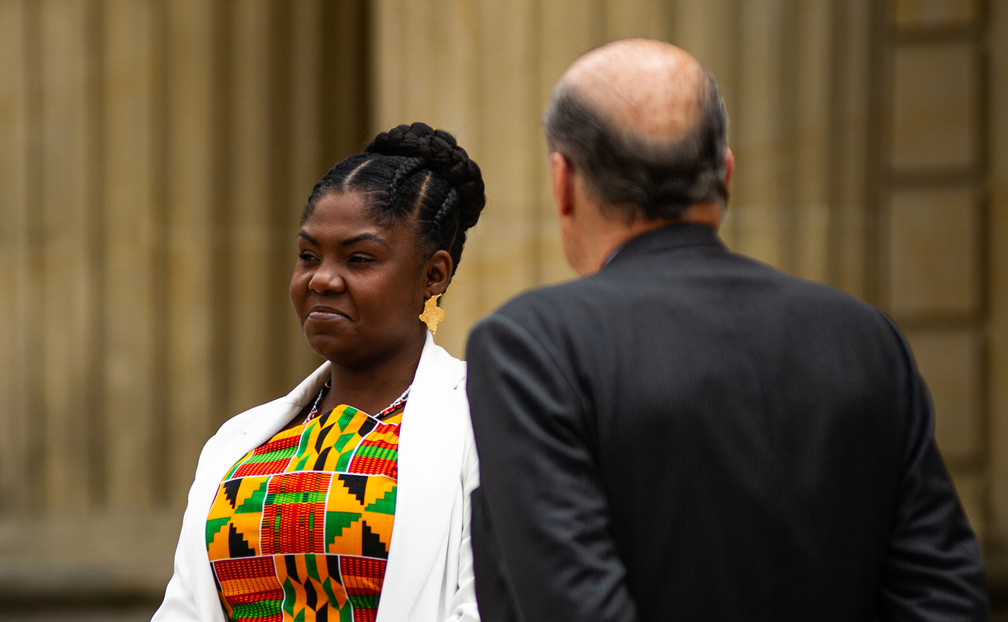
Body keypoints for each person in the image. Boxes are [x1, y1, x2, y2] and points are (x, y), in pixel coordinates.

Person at [466, 38, 987, 621]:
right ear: (725, 174)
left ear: (563, 182)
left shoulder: (530, 346)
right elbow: (944, 598)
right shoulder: (865, 338)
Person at [153, 122, 485, 622]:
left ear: (433, 275)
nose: (322, 279)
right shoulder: (237, 445)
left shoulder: (481, 425)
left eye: (359, 259)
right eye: (308, 255)